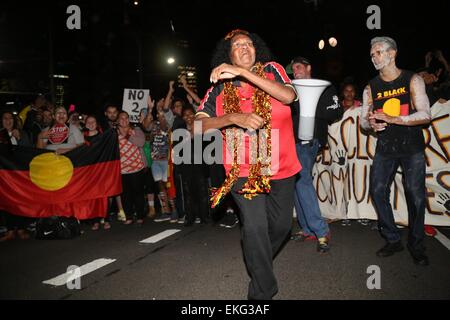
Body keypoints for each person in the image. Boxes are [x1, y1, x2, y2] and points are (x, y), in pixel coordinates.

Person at [195, 29, 301, 300]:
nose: (245, 48)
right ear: (228, 56)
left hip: (282, 166)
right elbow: (197, 126)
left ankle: (258, 256)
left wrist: (243, 73)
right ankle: (262, 295)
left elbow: (289, 97)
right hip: (242, 170)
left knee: (280, 228)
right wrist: (233, 117)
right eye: (237, 46)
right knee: (254, 228)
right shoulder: (218, 87)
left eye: (249, 44)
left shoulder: (272, 70)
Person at [360, 36, 431, 266]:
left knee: (416, 196)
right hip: (385, 148)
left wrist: (393, 118)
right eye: (372, 54)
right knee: (378, 191)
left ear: (392, 54)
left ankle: (416, 244)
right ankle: (392, 238)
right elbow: (363, 121)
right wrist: (371, 124)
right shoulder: (370, 87)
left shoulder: (413, 79)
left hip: (411, 147)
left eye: (378, 52)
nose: (374, 57)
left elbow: (425, 115)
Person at [286, 56, 342, 253]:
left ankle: (321, 230)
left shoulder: (325, 88)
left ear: (309, 67)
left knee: (302, 181)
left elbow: (337, 111)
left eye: (299, 66)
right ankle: (308, 229)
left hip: (309, 141)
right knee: (295, 184)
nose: (296, 70)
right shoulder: (290, 90)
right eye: (294, 68)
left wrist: (311, 104)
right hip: (292, 142)